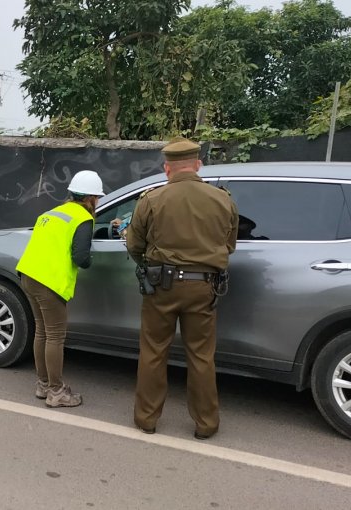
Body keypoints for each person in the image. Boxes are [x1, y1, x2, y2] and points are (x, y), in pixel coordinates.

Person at [125, 137, 238, 439]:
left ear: (167, 168)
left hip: (161, 286)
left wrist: (149, 262)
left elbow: (134, 245)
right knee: (201, 356)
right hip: (204, 287)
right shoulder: (222, 199)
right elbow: (230, 245)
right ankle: (206, 424)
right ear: (198, 164)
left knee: (153, 352)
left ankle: (146, 419)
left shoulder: (151, 199)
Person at [16, 170, 104, 408]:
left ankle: (43, 385)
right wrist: (92, 258)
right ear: (90, 198)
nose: (97, 202)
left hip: (28, 275)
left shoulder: (51, 213)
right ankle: (56, 392)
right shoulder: (83, 218)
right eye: (97, 198)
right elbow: (81, 258)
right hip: (49, 282)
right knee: (55, 336)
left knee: (42, 332)